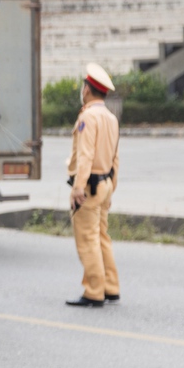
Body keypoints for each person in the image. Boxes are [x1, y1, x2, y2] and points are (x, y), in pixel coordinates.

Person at [65, 63, 120, 308]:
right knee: (102, 237)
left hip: (89, 186)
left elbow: (85, 156)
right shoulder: (110, 117)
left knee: (87, 239)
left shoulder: (88, 116)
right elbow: (115, 157)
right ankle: (111, 287)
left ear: (87, 90)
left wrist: (78, 188)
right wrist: (112, 186)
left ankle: (94, 291)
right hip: (106, 183)